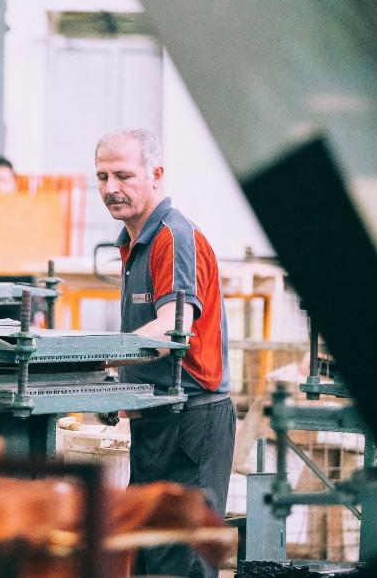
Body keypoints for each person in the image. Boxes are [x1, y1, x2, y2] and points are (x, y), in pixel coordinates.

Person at [94, 128, 234, 578]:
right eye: (102, 177)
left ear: (155, 175)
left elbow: (175, 326)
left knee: (183, 562)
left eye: (123, 175)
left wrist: (96, 358)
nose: (111, 188)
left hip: (191, 421)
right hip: (156, 419)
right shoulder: (135, 242)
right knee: (149, 558)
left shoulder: (173, 236)